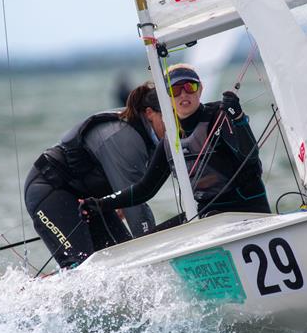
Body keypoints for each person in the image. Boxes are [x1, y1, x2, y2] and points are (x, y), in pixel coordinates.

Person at [80, 63, 270, 223]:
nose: (183, 95)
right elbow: (145, 189)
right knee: (151, 242)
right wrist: (101, 204)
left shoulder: (218, 116)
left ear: (200, 89)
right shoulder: (170, 139)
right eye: (175, 90)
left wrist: (238, 118)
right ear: (166, 97)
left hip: (249, 213)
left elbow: (250, 157)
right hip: (209, 218)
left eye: (190, 87)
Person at [24, 82, 164, 268]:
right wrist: (154, 254)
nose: (175, 123)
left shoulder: (154, 137)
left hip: (89, 202)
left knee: (122, 263)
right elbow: (136, 208)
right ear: (149, 114)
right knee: (83, 266)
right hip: (50, 191)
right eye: (168, 116)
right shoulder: (125, 138)